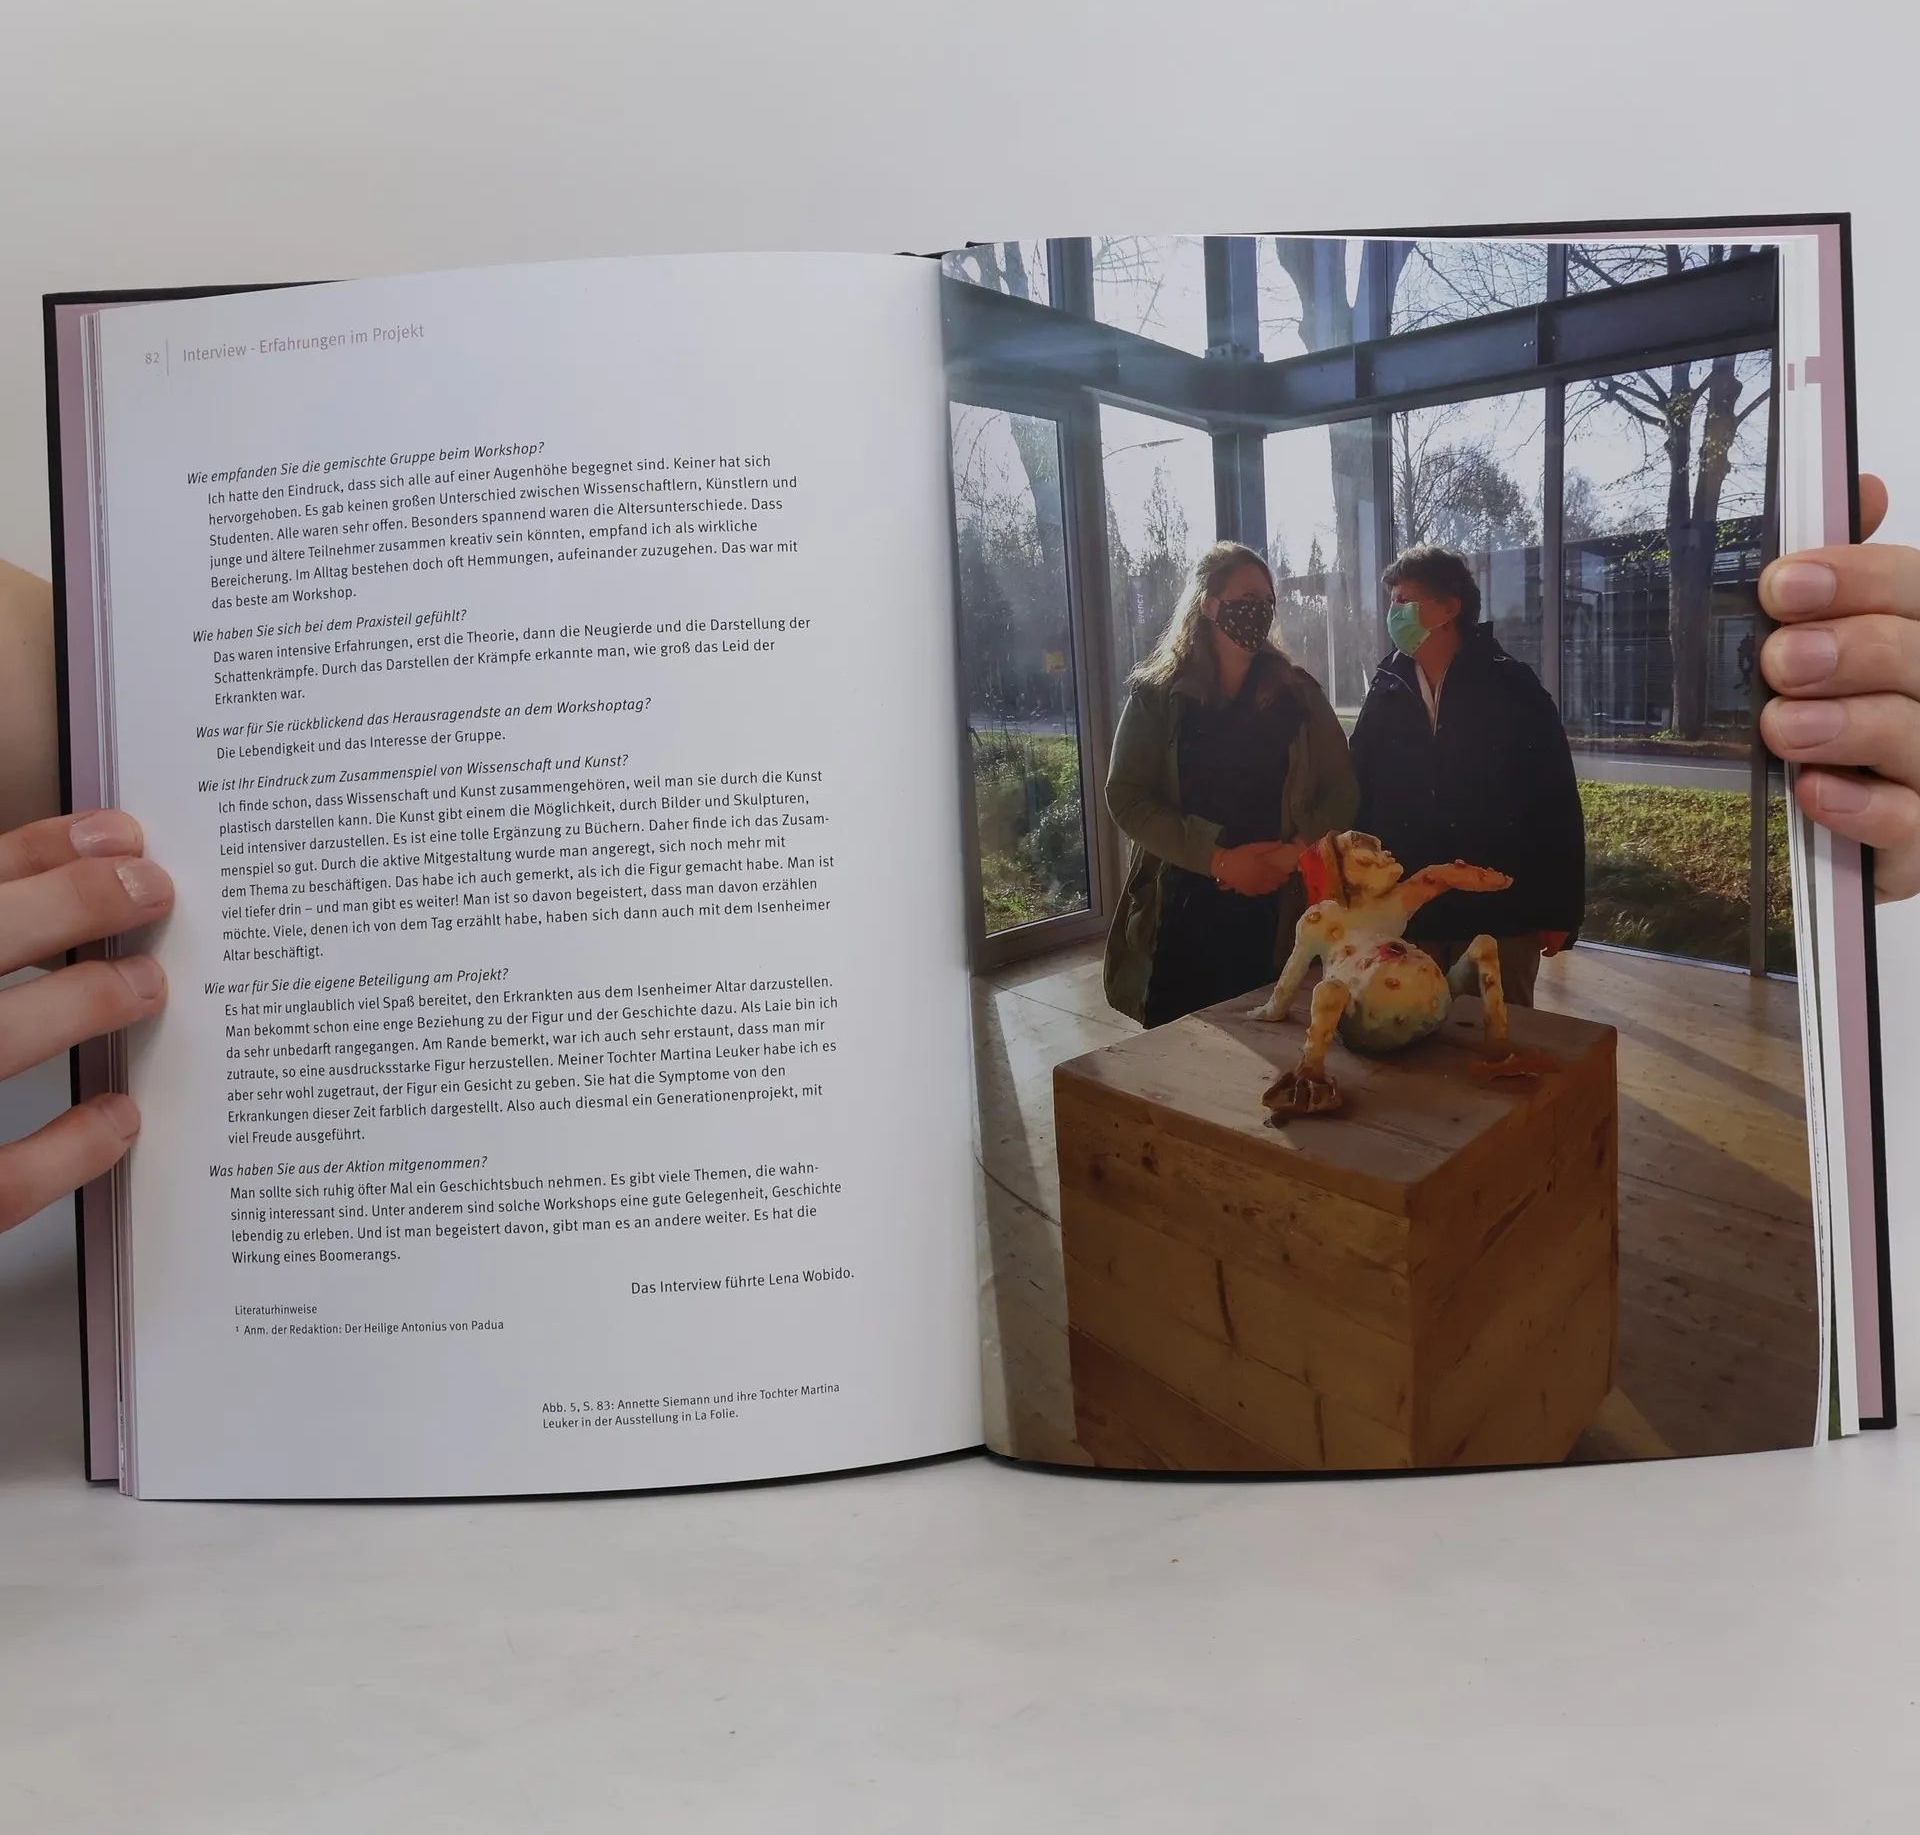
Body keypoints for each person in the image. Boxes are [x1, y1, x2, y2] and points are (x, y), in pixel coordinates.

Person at [3, 474, 1920, 1231]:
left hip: (1371, 911)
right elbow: (1137, 814)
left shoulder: (1390, 690)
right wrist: (1260, 857)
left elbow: (1442, 792)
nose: (1268, 615)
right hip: (1216, 915)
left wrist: (1381, 867)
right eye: (1241, 596)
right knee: (1207, 1069)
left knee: (1355, 1059)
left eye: (1287, 596)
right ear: (1206, 604)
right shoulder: (1169, 695)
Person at [1104, 541, 1359, 1027]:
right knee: (1185, 1048)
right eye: (1247, 599)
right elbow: (1126, 796)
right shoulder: (1157, 697)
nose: (1259, 611)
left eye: (1267, 601)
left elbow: (1342, 788)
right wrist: (1219, 860)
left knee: (1273, 1042)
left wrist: (1295, 853)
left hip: (1278, 908)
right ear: (1208, 605)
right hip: (1183, 910)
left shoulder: (1298, 693)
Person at [1347, 543, 1581, 1007]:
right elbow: (1361, 796)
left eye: (1403, 600)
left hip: (1501, 916)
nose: (1393, 613)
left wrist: (1561, 911)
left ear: (1449, 608)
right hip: (1409, 915)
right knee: (1410, 1032)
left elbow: (1555, 802)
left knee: (1499, 1034)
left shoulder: (1513, 687)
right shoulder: (1385, 689)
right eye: (1392, 601)